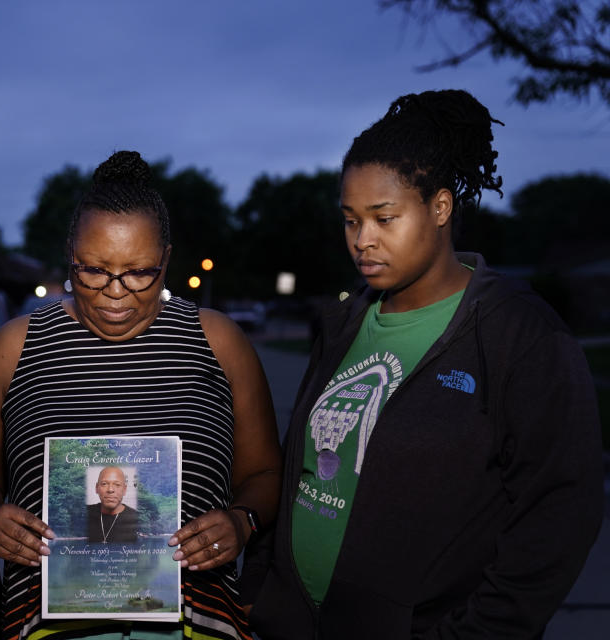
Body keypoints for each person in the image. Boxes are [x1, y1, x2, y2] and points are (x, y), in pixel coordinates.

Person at [240, 89, 604, 639]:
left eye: (385, 218)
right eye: (350, 220)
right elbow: (300, 469)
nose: (363, 241)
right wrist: (260, 596)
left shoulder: (518, 333)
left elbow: (561, 512)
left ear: (440, 206)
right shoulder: (343, 323)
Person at [0, 150, 282, 640]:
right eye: (94, 270)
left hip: (197, 626)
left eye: (139, 271)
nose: (115, 291)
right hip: (49, 627)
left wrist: (242, 521)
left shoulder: (217, 342)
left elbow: (265, 473)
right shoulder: (15, 347)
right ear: (70, 254)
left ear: (166, 260)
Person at [86, 466, 140, 543]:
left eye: (117, 485)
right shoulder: (84, 513)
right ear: (97, 488)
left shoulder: (137, 518)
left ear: (124, 490)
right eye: (104, 484)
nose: (110, 490)